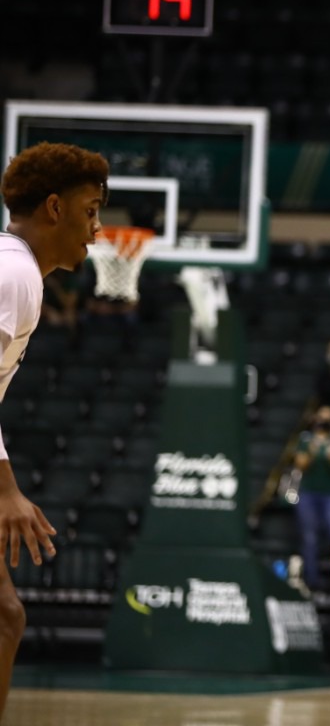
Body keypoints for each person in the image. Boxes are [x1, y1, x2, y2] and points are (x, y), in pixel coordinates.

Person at [0, 141, 108, 717]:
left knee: (4, 616)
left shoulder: (19, 272)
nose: (98, 227)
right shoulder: (14, 273)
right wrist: (6, 490)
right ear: (54, 208)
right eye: (90, 209)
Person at [292, 405, 330, 591]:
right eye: (321, 418)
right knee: (309, 538)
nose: (323, 423)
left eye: (327, 419)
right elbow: (300, 464)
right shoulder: (306, 439)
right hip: (309, 493)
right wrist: (312, 450)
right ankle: (312, 581)